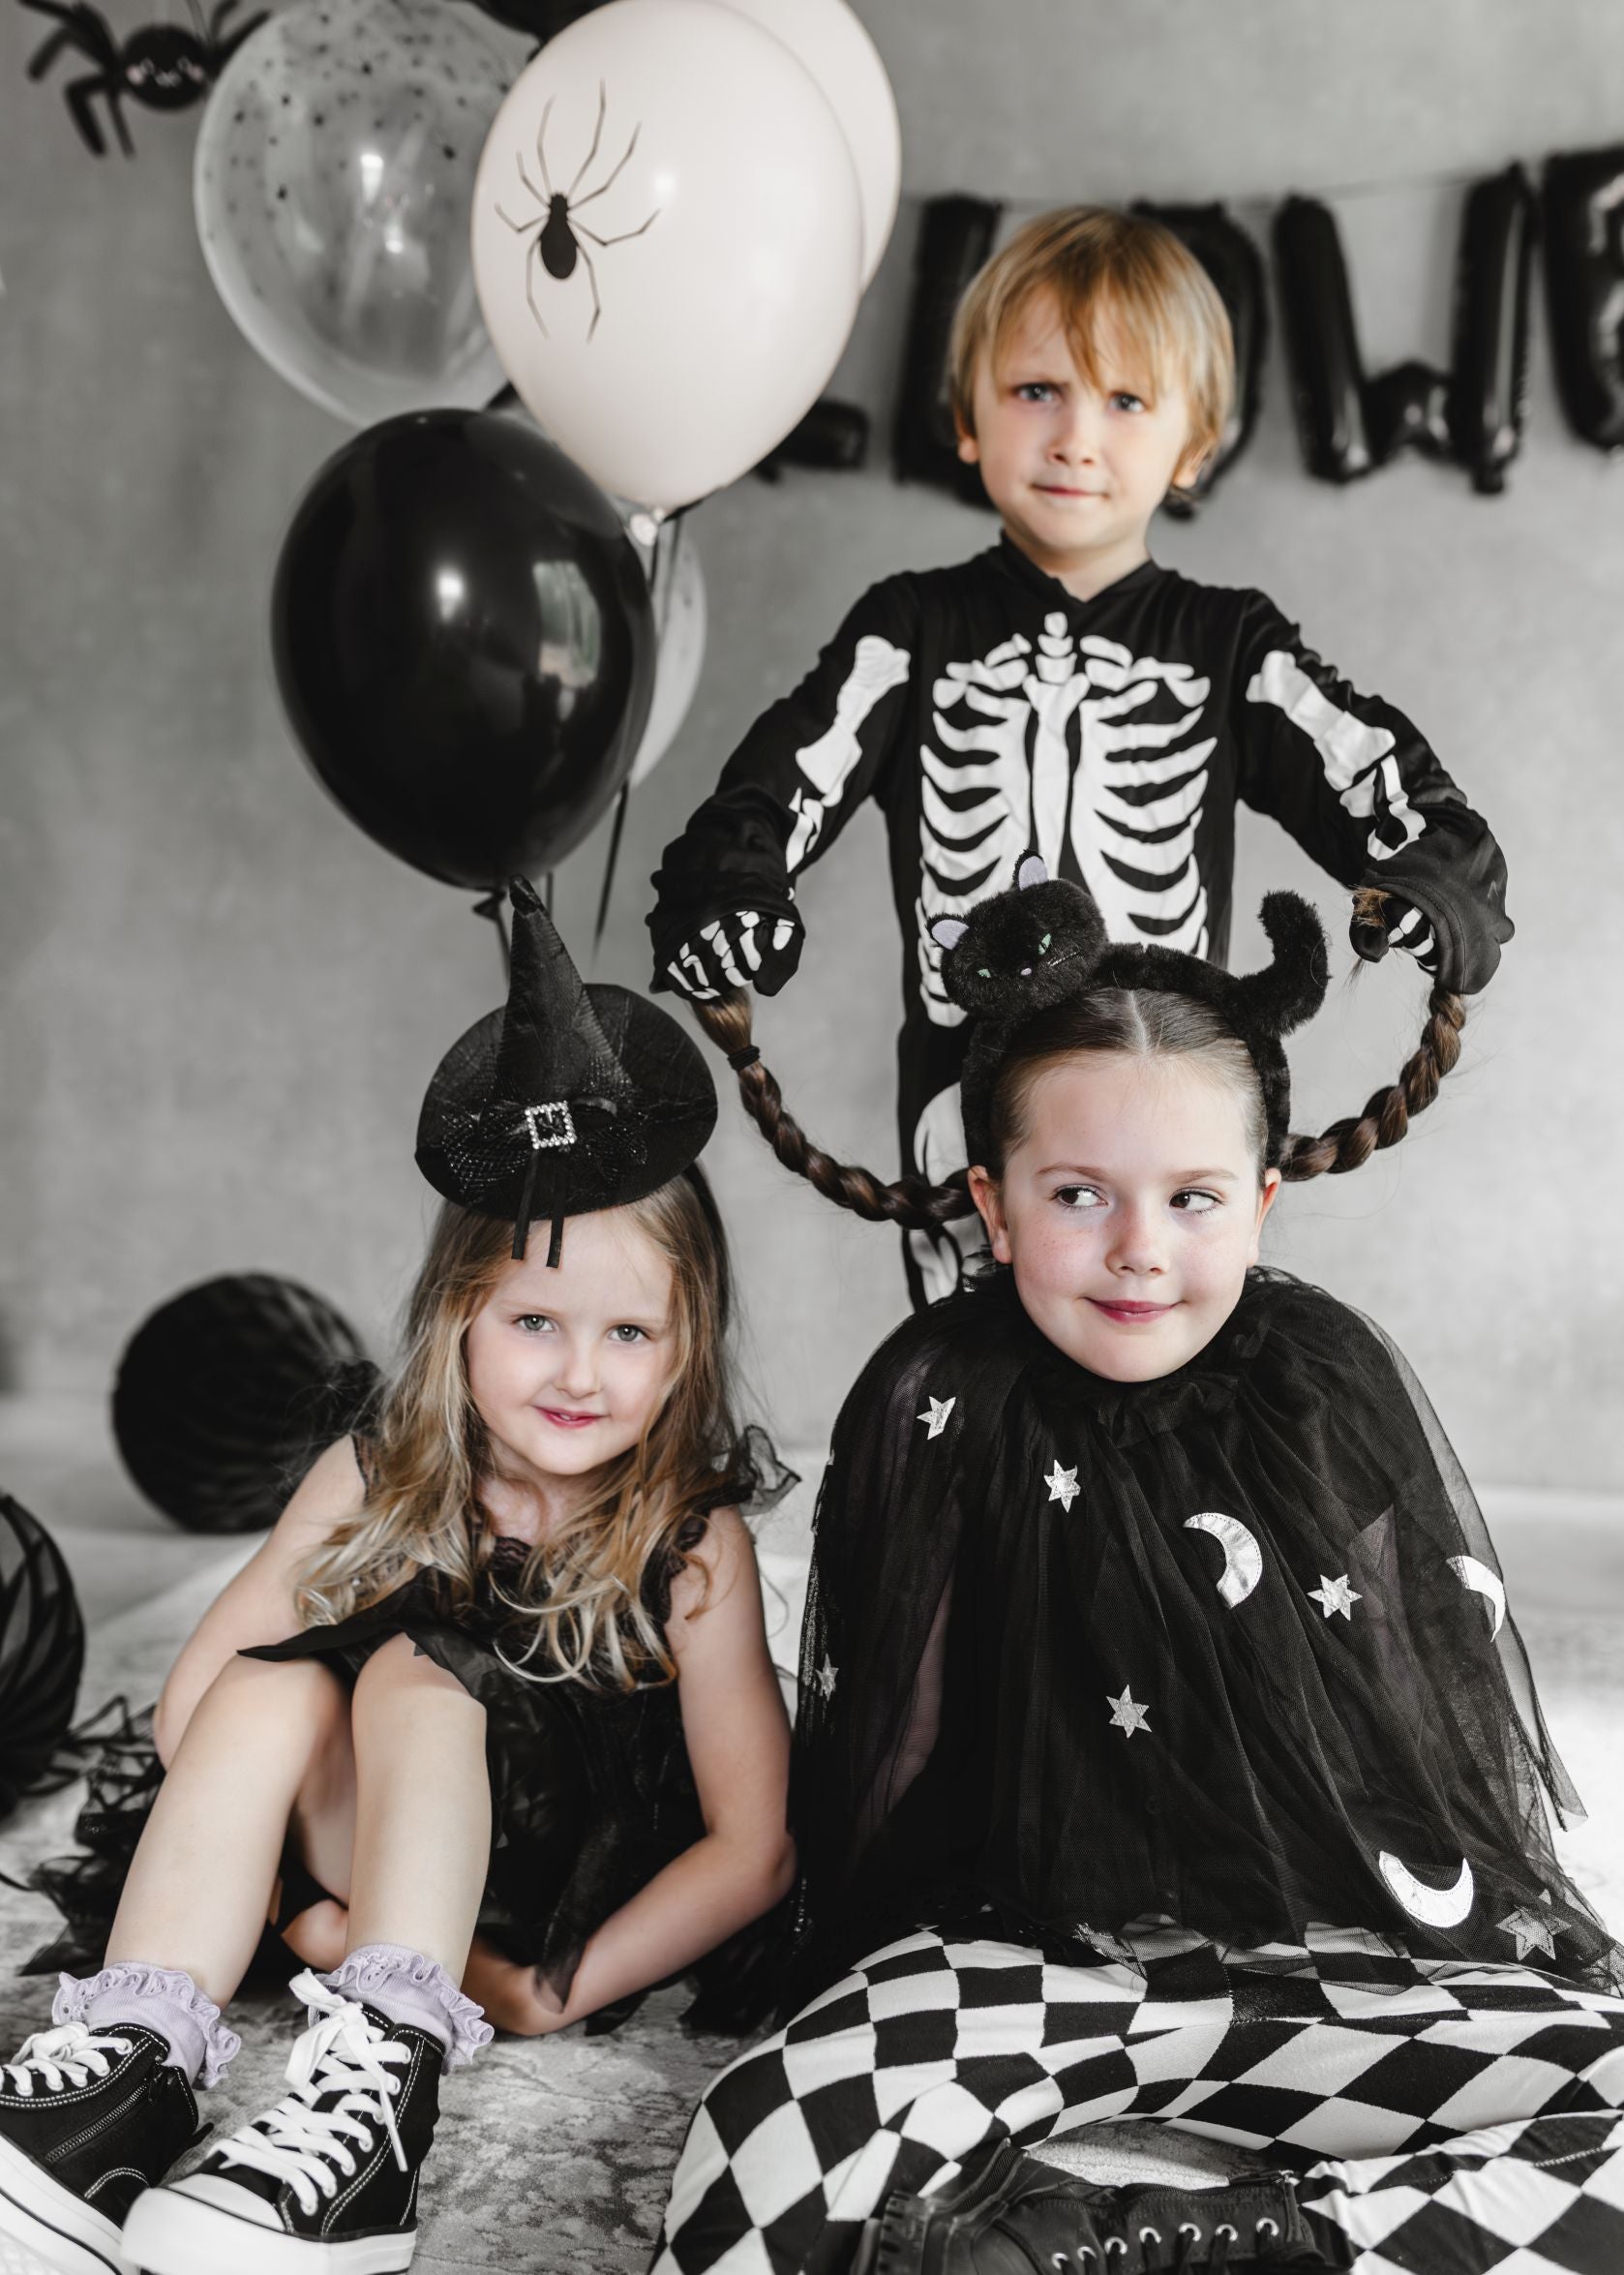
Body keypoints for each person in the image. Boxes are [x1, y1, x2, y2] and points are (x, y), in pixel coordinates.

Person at [648, 859, 1624, 2275]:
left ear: (1264, 1201)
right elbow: (890, 1751)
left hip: (1327, 1948)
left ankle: (1199, 2242)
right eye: (1077, 1193)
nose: (1136, 1251)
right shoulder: (938, 1388)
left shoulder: (1322, 1376)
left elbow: (1416, 1711)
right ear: (991, 1202)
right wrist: (852, 1979)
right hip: (1026, 1949)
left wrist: (1478, 1936)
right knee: (755, 2161)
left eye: (1191, 1198)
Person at [0, 880, 795, 2275]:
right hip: (360, 1858)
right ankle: (131, 2073)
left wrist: (560, 1994)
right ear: (457, 1318)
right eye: (534, 1320)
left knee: (422, 1674)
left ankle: (372, 2103)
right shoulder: (380, 1464)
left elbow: (755, 1842)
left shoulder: (689, 1538)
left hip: (531, 1887)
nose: (578, 1371)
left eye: (626, 1331)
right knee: (267, 1690)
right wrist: (301, 1910)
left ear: (685, 1345)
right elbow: (198, 1703)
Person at [645, 205, 1513, 1306]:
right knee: (973, 1418)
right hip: (967, 1139)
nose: (1075, 438)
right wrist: (734, 891)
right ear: (967, 416)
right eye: (1035, 390)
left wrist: (1435, 881)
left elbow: (1390, 793)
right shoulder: (909, 629)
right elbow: (769, 797)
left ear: (1194, 445)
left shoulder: (1230, 647)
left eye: (1126, 401)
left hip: (1174, 1125)